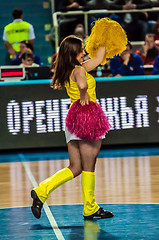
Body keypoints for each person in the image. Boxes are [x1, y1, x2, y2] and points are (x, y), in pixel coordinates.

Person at [30, 35, 114, 220]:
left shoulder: (71, 70)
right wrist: (84, 94)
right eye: (82, 50)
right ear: (74, 53)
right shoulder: (79, 71)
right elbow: (83, 84)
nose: (84, 52)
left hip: (74, 120)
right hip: (87, 118)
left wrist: (105, 36)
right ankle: (90, 207)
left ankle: (41, 191)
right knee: (88, 166)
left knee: (75, 167)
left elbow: (99, 59)